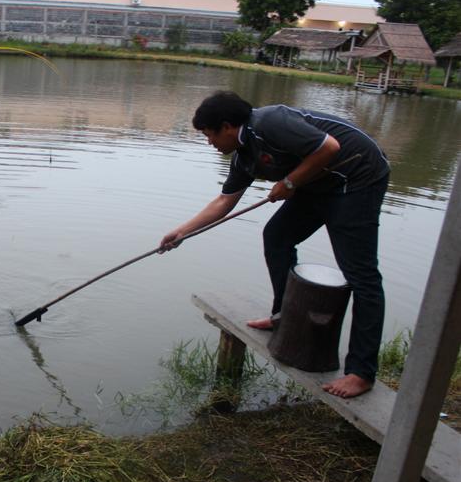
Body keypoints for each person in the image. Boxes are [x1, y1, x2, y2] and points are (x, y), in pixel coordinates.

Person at [160, 91, 390, 398]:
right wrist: (181, 233)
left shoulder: (270, 122)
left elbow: (329, 147)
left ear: (227, 127)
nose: (210, 143)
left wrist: (291, 182)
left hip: (356, 179)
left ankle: (361, 372)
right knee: (277, 237)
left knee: (362, 276)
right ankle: (284, 317)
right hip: (316, 183)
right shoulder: (244, 156)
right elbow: (225, 201)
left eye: (209, 135)